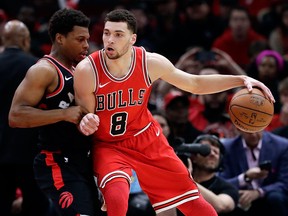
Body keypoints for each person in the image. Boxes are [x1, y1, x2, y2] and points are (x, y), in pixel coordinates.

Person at [73, 8, 274, 216]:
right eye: (107, 33)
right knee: (117, 201)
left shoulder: (150, 62)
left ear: (132, 39)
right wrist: (85, 121)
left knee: (201, 209)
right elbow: (83, 115)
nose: (110, 40)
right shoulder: (88, 70)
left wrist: (240, 80)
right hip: (110, 144)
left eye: (118, 34)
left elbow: (194, 83)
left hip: (147, 140)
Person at [9, 9, 101, 216]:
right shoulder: (45, 70)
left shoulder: (79, 70)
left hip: (84, 161)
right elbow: (15, 116)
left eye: (87, 39)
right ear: (60, 38)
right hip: (58, 161)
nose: (86, 45)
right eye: (80, 39)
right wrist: (64, 114)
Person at [0, 19, 52, 216]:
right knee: (36, 205)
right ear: (25, 40)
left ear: (4, 39)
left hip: (1, 148)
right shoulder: (36, 67)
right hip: (28, 150)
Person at [219, 130, 288, 216]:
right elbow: (221, 183)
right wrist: (245, 177)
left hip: (269, 197)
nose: (253, 135)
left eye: (257, 130)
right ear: (238, 129)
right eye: (249, 131)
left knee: (276, 198)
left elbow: (284, 182)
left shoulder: (282, 145)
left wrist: (258, 192)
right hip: (240, 198)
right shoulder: (227, 147)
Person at [187, 134, 239, 215]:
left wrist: (187, 182)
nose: (212, 154)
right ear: (194, 157)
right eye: (206, 150)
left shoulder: (228, 188)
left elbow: (221, 206)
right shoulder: (179, 183)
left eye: (216, 152)